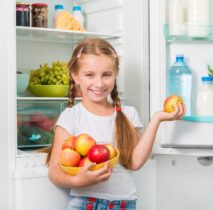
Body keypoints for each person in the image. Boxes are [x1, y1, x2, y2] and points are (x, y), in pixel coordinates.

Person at [46, 38, 185, 210]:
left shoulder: (128, 114)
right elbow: (54, 171)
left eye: (106, 74)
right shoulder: (71, 116)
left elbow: (134, 162)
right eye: (89, 75)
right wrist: (77, 180)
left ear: (115, 74)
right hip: (85, 203)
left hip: (124, 204)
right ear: (76, 77)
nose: (99, 83)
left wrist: (157, 119)